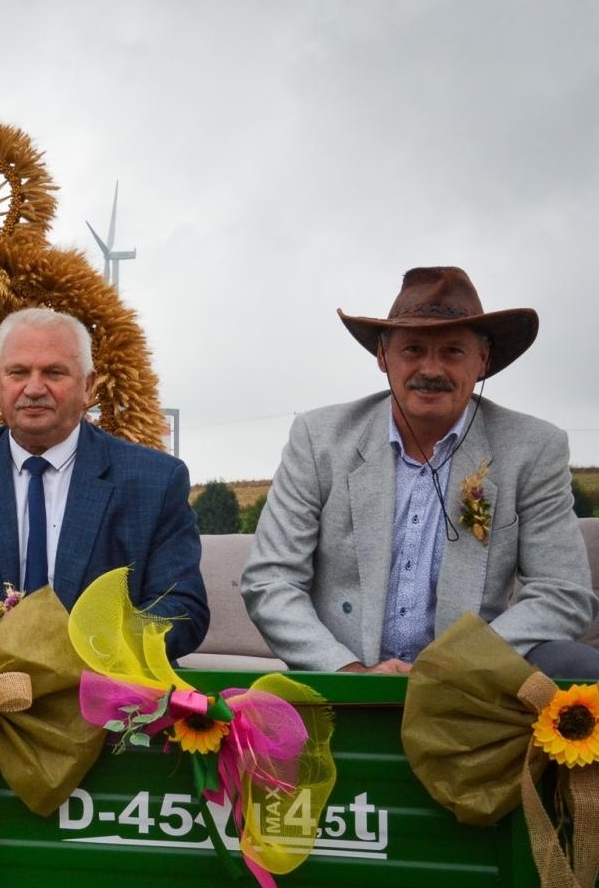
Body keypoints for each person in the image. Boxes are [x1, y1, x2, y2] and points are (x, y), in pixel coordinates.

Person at [242, 266, 599, 676]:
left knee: (579, 666)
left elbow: (563, 593)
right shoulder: (318, 438)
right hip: (342, 681)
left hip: (469, 684)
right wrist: (349, 671)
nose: (431, 370)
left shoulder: (533, 448)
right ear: (383, 356)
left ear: (483, 360)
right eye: (412, 350)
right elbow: (271, 581)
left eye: (453, 352)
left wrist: (453, 666)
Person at [0, 307, 209, 664]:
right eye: (18, 372)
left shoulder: (154, 481)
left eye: (54, 373)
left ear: (88, 385)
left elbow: (182, 608)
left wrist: (88, 650)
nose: (33, 389)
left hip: (106, 687)